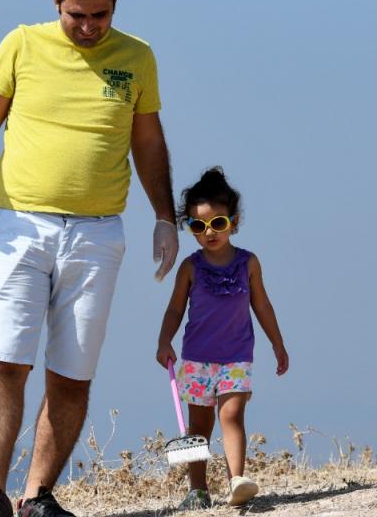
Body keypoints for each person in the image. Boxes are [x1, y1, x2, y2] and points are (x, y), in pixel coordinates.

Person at [0, 0, 178, 517]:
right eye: (75, 15)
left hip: (98, 232)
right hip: (22, 225)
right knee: (4, 360)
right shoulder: (22, 44)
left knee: (72, 372)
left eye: (99, 16)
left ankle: (39, 498)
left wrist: (165, 217)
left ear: (115, 6)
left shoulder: (138, 57)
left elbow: (148, 141)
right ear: (56, 1)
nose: (87, 27)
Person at [154, 167, 289, 508]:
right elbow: (174, 310)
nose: (209, 232)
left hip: (236, 357)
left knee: (232, 417)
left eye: (218, 223)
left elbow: (262, 305)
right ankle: (197, 490)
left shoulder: (248, 263)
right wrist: (163, 340)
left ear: (234, 222)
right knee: (199, 426)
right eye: (199, 226)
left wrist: (277, 343)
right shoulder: (190, 267)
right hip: (197, 359)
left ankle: (237, 483)